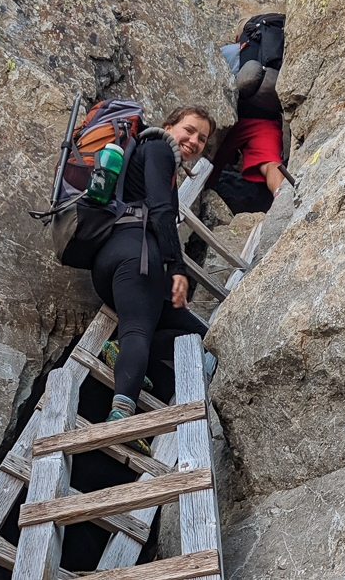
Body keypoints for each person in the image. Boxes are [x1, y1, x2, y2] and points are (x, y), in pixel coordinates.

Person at [90, 105, 215, 455]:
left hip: (120, 259)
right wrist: (178, 268)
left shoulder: (149, 155)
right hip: (135, 257)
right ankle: (121, 418)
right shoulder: (159, 149)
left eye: (202, 139)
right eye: (188, 131)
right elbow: (160, 210)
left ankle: (120, 354)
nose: (193, 141)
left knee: (202, 336)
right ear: (169, 126)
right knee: (137, 332)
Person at [207, 13, 287, 214]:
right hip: (266, 119)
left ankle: (203, 200)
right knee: (271, 163)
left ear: (240, 37)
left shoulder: (227, 52)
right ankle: (283, 202)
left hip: (234, 116)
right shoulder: (276, 55)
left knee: (209, 164)